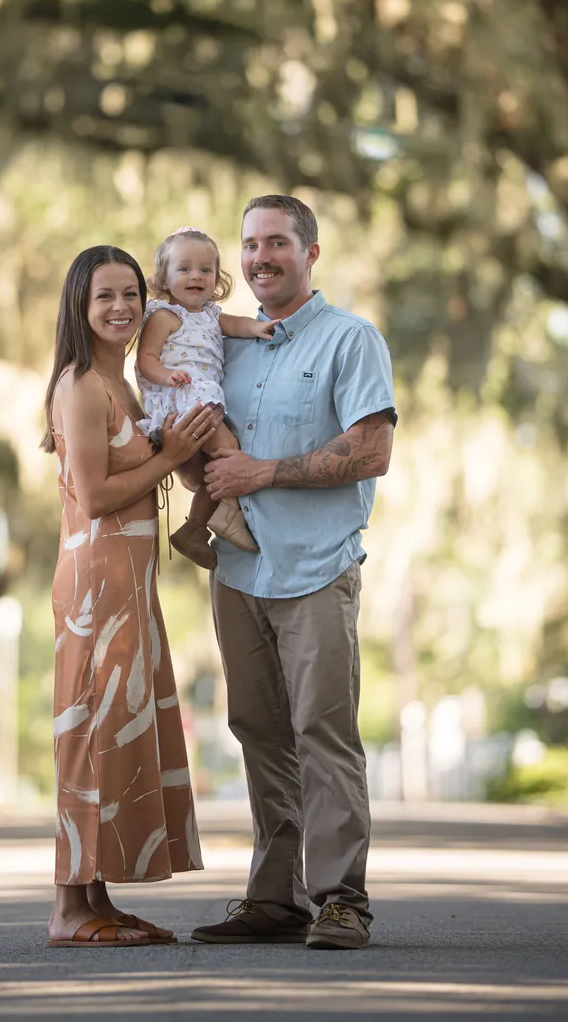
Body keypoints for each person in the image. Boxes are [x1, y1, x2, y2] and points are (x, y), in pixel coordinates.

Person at [188, 196, 397, 951]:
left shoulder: (351, 340)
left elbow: (371, 452)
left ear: (311, 252)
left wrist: (263, 472)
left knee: (323, 733)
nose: (258, 258)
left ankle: (342, 900)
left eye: (276, 242)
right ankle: (274, 899)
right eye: (248, 245)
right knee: (258, 732)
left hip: (315, 571)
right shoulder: (227, 343)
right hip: (239, 570)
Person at [42, 245, 215, 948]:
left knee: (113, 737)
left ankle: (97, 900)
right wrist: (172, 457)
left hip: (130, 587)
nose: (121, 308)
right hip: (95, 590)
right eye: (104, 297)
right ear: (80, 310)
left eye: (131, 294)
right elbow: (92, 495)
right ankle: (67, 911)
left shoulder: (127, 384)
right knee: (88, 739)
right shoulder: (81, 385)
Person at [135, 226, 274, 569]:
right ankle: (213, 520)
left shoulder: (211, 315)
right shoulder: (165, 316)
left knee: (218, 465)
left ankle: (202, 525)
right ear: (164, 279)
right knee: (230, 454)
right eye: (184, 269)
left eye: (205, 269)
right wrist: (167, 376)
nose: (196, 276)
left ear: (216, 278)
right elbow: (145, 359)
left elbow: (235, 324)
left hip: (202, 401)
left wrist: (257, 328)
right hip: (183, 401)